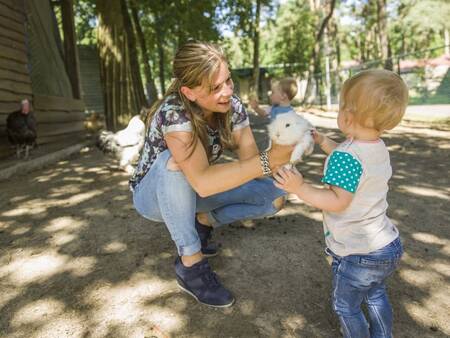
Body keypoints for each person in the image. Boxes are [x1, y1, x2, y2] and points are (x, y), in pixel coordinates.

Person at [130, 40, 293, 308]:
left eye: (228, 80)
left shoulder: (234, 107)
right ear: (189, 92)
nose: (227, 91)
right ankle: (191, 265)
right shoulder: (174, 112)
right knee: (175, 163)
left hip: (195, 189)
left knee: (274, 196)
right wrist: (267, 161)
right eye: (215, 88)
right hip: (153, 196)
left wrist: (281, 163)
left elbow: (251, 163)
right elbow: (204, 183)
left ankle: (203, 220)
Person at [273, 69, 408, 337]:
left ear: (348, 114)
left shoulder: (346, 157)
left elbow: (337, 201)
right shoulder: (376, 146)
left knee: (346, 306)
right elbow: (352, 163)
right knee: (375, 295)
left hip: (359, 252)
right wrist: (323, 140)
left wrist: (299, 187)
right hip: (386, 246)